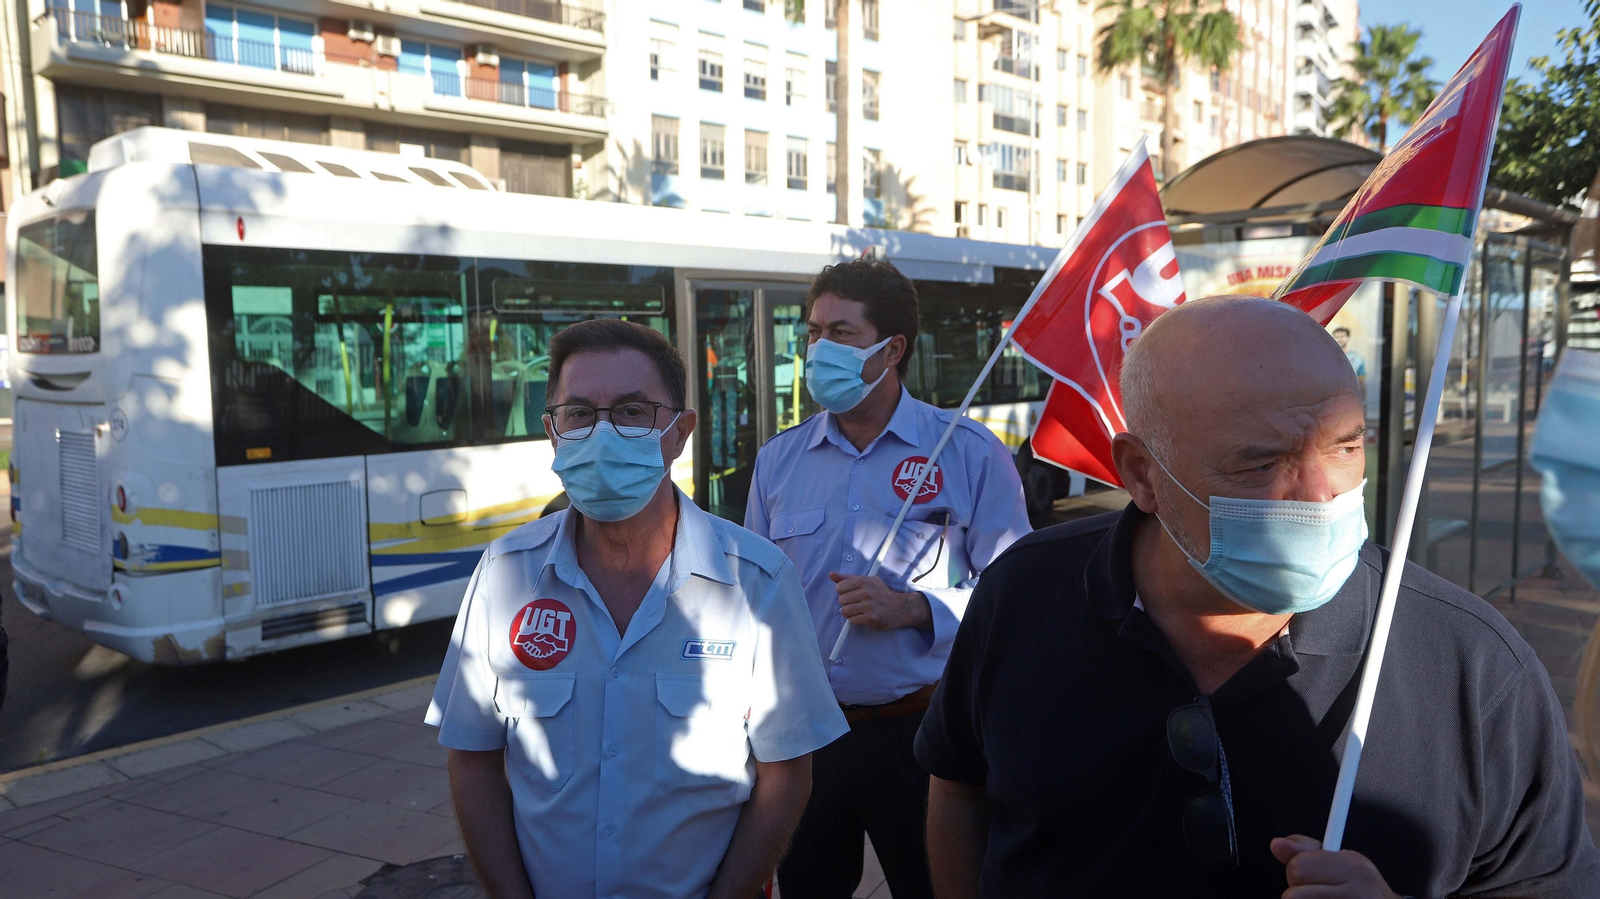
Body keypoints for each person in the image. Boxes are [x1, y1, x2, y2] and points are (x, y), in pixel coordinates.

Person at [918, 296, 1600, 898]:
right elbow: (959, 786)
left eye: (1346, 446)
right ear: (1141, 474)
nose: (1320, 496)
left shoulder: (1476, 666)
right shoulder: (1024, 591)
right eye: (1260, 462)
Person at [427, 319, 847, 899]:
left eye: (631, 412)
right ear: (553, 432)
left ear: (679, 433)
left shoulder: (758, 581)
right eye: (578, 414)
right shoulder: (504, 576)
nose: (602, 435)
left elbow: (786, 771)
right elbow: (473, 758)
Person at [744, 259, 1031, 899]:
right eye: (812, 331)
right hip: (807, 732)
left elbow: (1014, 592)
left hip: (922, 735)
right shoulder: (780, 459)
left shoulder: (966, 452)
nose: (819, 349)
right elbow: (754, 599)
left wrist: (916, 609)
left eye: (841, 333)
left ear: (891, 348)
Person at [1333, 325, 1367, 395]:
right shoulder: (1328, 357)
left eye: (1342, 336)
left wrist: (1363, 402)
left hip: (1351, 396)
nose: (1339, 339)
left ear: (1348, 337)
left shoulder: (1357, 358)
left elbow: (1362, 383)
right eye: (1336, 337)